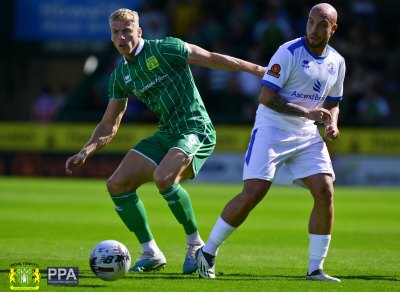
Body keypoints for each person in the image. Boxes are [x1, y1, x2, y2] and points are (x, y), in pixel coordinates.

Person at [65, 8, 264, 274]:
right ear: (111, 37)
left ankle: (196, 246)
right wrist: (85, 151)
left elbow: (212, 58)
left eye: (127, 31)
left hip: (196, 128)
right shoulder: (120, 76)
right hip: (168, 132)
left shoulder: (166, 48)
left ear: (139, 31)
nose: (122, 37)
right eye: (116, 33)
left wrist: (257, 69)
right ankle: (151, 252)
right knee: (116, 184)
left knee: (164, 177)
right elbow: (109, 124)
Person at [197, 3, 345, 282]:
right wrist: (309, 113)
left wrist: (331, 123)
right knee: (253, 192)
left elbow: (334, 103)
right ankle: (207, 253)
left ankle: (316, 269)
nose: (314, 29)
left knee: (325, 191)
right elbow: (265, 97)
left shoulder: (338, 61)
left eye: (322, 24)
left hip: (307, 133)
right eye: (311, 22)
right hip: (272, 128)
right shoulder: (288, 52)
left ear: (333, 29)